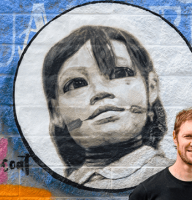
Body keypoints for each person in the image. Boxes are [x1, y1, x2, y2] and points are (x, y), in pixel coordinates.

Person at [42, 25, 172, 190]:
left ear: (151, 87)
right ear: (56, 113)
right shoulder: (57, 191)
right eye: (77, 83)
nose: (100, 91)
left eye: (120, 73)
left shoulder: (176, 179)